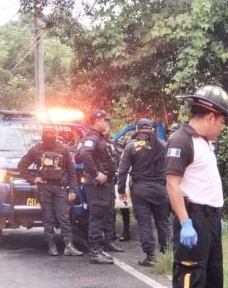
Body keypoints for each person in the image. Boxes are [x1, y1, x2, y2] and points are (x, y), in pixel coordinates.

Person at [165, 85, 228, 288]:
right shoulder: (180, 140)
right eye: (222, 121)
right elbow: (173, 185)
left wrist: (214, 216)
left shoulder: (204, 142)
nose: (222, 127)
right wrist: (185, 222)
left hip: (209, 218)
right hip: (192, 218)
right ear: (210, 116)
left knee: (212, 277)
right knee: (190, 278)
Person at [17, 126, 84, 257]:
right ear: (42, 135)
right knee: (48, 218)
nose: (49, 136)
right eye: (46, 133)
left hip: (60, 187)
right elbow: (22, 166)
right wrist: (33, 179)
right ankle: (51, 246)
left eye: (51, 133)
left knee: (64, 217)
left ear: (56, 134)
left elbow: (71, 172)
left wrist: (72, 190)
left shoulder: (63, 149)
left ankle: (68, 246)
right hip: (44, 188)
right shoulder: (36, 149)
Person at [118, 118, 171, 267]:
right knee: (163, 221)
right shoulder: (163, 145)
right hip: (161, 189)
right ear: (152, 129)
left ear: (137, 129)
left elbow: (123, 171)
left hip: (141, 189)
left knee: (144, 223)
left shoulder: (131, 146)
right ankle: (168, 253)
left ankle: (150, 256)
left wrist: (121, 190)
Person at [76, 109, 122, 264]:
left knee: (102, 217)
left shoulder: (100, 138)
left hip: (105, 185)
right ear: (97, 121)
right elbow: (84, 154)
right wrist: (96, 174)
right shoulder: (92, 138)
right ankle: (95, 253)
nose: (107, 123)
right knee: (96, 218)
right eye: (105, 120)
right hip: (97, 185)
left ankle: (99, 249)